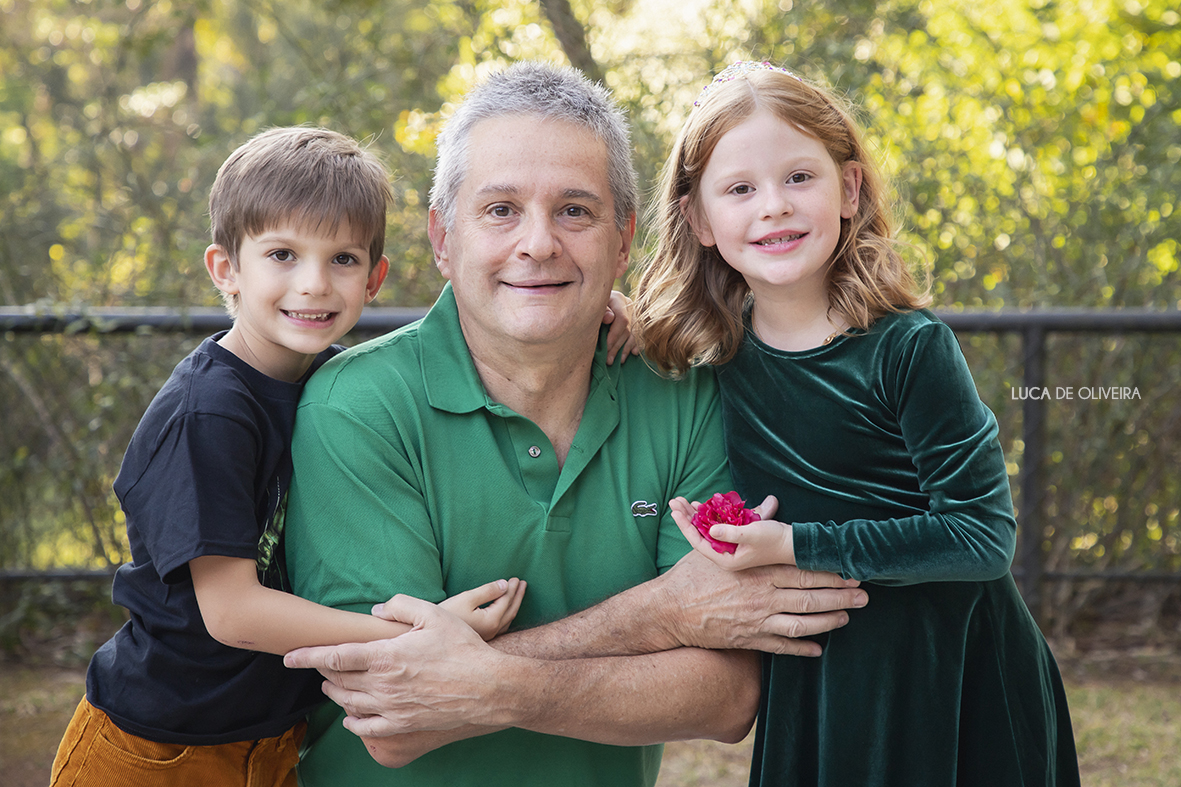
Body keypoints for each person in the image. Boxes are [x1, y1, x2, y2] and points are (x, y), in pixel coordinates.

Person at [280, 62, 869, 787]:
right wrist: (661, 612)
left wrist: (488, 680)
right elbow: (394, 712)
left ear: (622, 240)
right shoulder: (357, 406)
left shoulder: (684, 395)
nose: (537, 243)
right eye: (500, 209)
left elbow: (728, 696)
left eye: (574, 211)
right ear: (442, 237)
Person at [631, 61, 1081, 786]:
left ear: (848, 189)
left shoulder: (908, 346)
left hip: (947, 669)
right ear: (698, 220)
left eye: (798, 178)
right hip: (818, 673)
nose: (772, 206)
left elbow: (982, 535)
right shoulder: (709, 355)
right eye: (740, 189)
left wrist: (795, 544)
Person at [50, 127, 528, 787]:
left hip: (269, 740)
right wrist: (419, 635)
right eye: (281, 253)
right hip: (157, 745)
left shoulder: (335, 382)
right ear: (227, 269)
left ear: (374, 277)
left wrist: (593, 318)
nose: (313, 283)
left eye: (342, 259)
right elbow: (234, 613)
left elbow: (453, 354)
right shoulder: (209, 412)